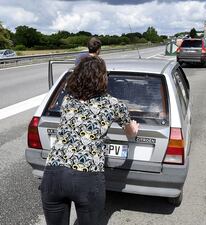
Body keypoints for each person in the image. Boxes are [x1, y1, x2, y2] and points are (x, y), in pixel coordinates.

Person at [40, 56, 139, 225]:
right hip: (87, 177)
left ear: (77, 75)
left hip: (53, 175)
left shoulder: (67, 100)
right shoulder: (114, 104)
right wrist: (134, 129)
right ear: (103, 78)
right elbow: (130, 133)